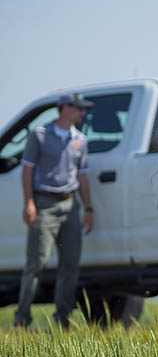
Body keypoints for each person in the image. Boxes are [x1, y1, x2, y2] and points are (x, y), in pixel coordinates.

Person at [14, 92, 95, 328]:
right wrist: (29, 202)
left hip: (70, 205)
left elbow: (82, 176)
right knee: (36, 263)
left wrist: (88, 208)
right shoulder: (39, 135)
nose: (82, 113)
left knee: (69, 264)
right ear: (65, 108)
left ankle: (63, 319)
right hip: (44, 204)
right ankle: (22, 318)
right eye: (79, 108)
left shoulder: (80, 139)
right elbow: (27, 170)